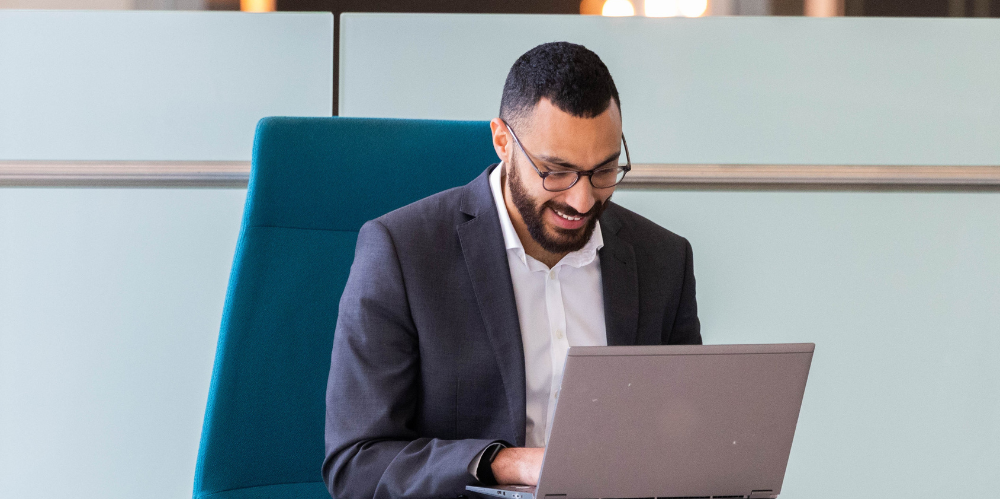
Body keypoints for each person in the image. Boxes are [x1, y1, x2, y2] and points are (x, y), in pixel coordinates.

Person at [323, 41, 701, 499]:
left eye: (603, 171)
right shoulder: (402, 253)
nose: (582, 201)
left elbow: (683, 443)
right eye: (556, 172)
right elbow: (357, 464)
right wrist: (504, 463)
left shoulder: (664, 259)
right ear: (503, 141)